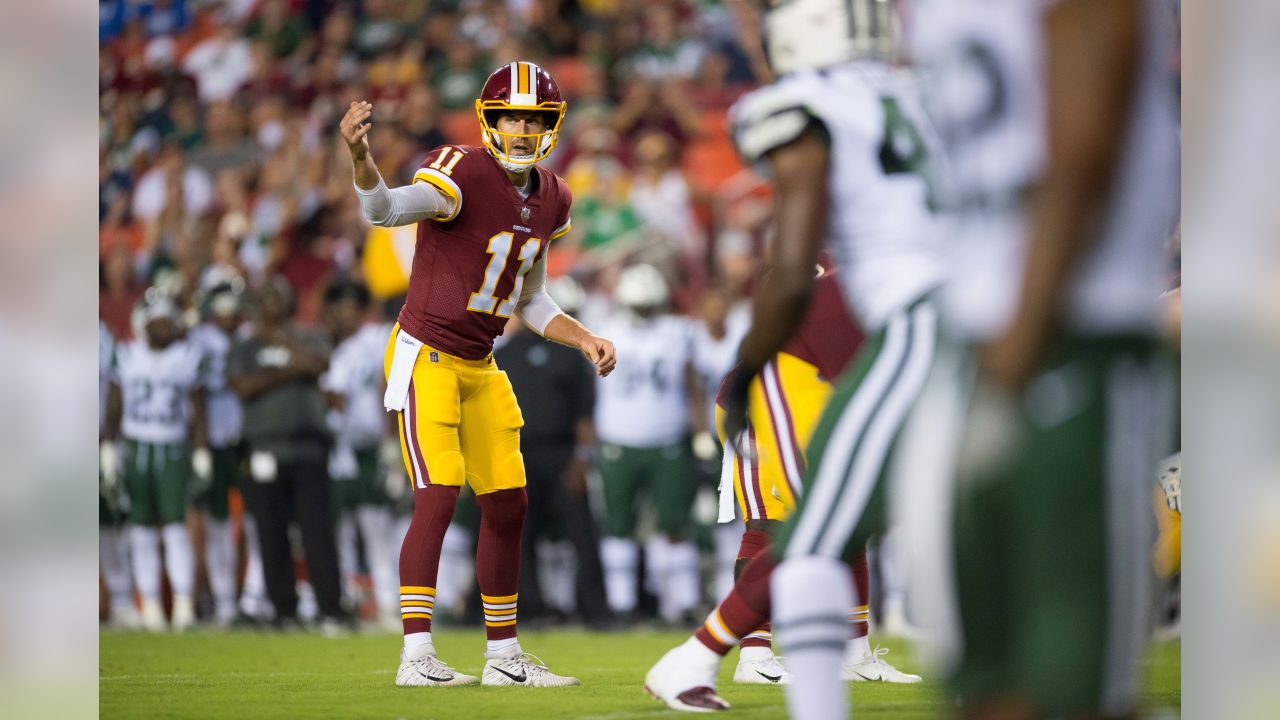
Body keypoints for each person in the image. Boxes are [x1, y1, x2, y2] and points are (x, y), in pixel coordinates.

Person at [645, 0, 942, 713]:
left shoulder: (810, 105)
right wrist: (748, 371)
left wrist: (742, 370)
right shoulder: (924, 96)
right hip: (898, 327)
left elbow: (792, 255)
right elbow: (794, 259)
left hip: (897, 325)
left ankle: (714, 656)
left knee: (846, 514)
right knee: (828, 516)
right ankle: (712, 655)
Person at [910, 0, 1179, 716]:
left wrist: (1013, 351)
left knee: (1074, 684)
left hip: (1070, 336)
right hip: (979, 341)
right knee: (985, 679)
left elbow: (1082, 147)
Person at [340, 60, 616, 688]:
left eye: (536, 118)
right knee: (439, 494)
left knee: (510, 504)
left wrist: (585, 338)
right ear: (491, 120)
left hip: (482, 362)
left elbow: (531, 299)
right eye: (512, 116)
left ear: (552, 125)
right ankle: (416, 657)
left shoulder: (554, 195)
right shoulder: (461, 169)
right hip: (428, 353)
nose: (522, 129)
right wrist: (362, 160)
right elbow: (384, 212)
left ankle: (503, 657)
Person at [226, 276, 349, 633]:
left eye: (280, 294)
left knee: (317, 531)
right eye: (268, 294)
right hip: (264, 448)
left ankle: (330, 609)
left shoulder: (309, 334)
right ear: (257, 303)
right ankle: (284, 610)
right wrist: (290, 371)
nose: (274, 300)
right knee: (270, 530)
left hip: (309, 447)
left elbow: (317, 365)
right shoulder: (245, 345)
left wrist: (280, 343)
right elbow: (243, 387)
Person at [593, 264, 710, 625]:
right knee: (618, 524)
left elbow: (692, 385)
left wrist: (700, 432)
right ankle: (622, 604)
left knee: (675, 523)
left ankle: (683, 602)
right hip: (617, 438)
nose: (643, 311)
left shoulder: (678, 332)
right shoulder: (604, 329)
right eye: (637, 305)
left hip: (667, 440)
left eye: (648, 304)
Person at [492, 276, 611, 628]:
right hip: (518, 453)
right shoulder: (505, 353)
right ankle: (530, 608)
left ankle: (594, 609)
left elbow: (585, 414)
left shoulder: (572, 357)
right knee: (519, 535)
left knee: (582, 533)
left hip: (563, 454)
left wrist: (582, 459)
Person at [102, 292, 210, 632]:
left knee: (176, 527)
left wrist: (201, 450)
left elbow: (198, 409)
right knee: (141, 528)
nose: (162, 327)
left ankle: (182, 604)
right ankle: (148, 603)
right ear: (142, 323)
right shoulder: (128, 355)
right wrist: (107, 446)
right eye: (156, 320)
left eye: (167, 320)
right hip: (137, 447)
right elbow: (115, 405)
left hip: (172, 445)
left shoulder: (185, 356)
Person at [320, 280, 401, 631]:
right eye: (338, 309)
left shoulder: (374, 339)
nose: (344, 315)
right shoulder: (325, 347)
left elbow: (389, 379)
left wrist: (389, 439)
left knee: (376, 530)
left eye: (350, 308)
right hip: (336, 451)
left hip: (368, 449)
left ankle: (387, 605)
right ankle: (347, 602)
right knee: (340, 534)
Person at [188, 280, 253, 627]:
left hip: (245, 437)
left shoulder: (248, 336)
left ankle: (251, 596)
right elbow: (196, 391)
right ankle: (226, 599)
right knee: (216, 523)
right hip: (214, 437)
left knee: (253, 521)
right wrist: (198, 445)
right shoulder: (201, 341)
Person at [99, 320, 141, 630]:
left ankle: (122, 597)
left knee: (109, 521)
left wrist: (108, 442)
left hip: (97, 439)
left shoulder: (101, 335)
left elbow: (116, 389)